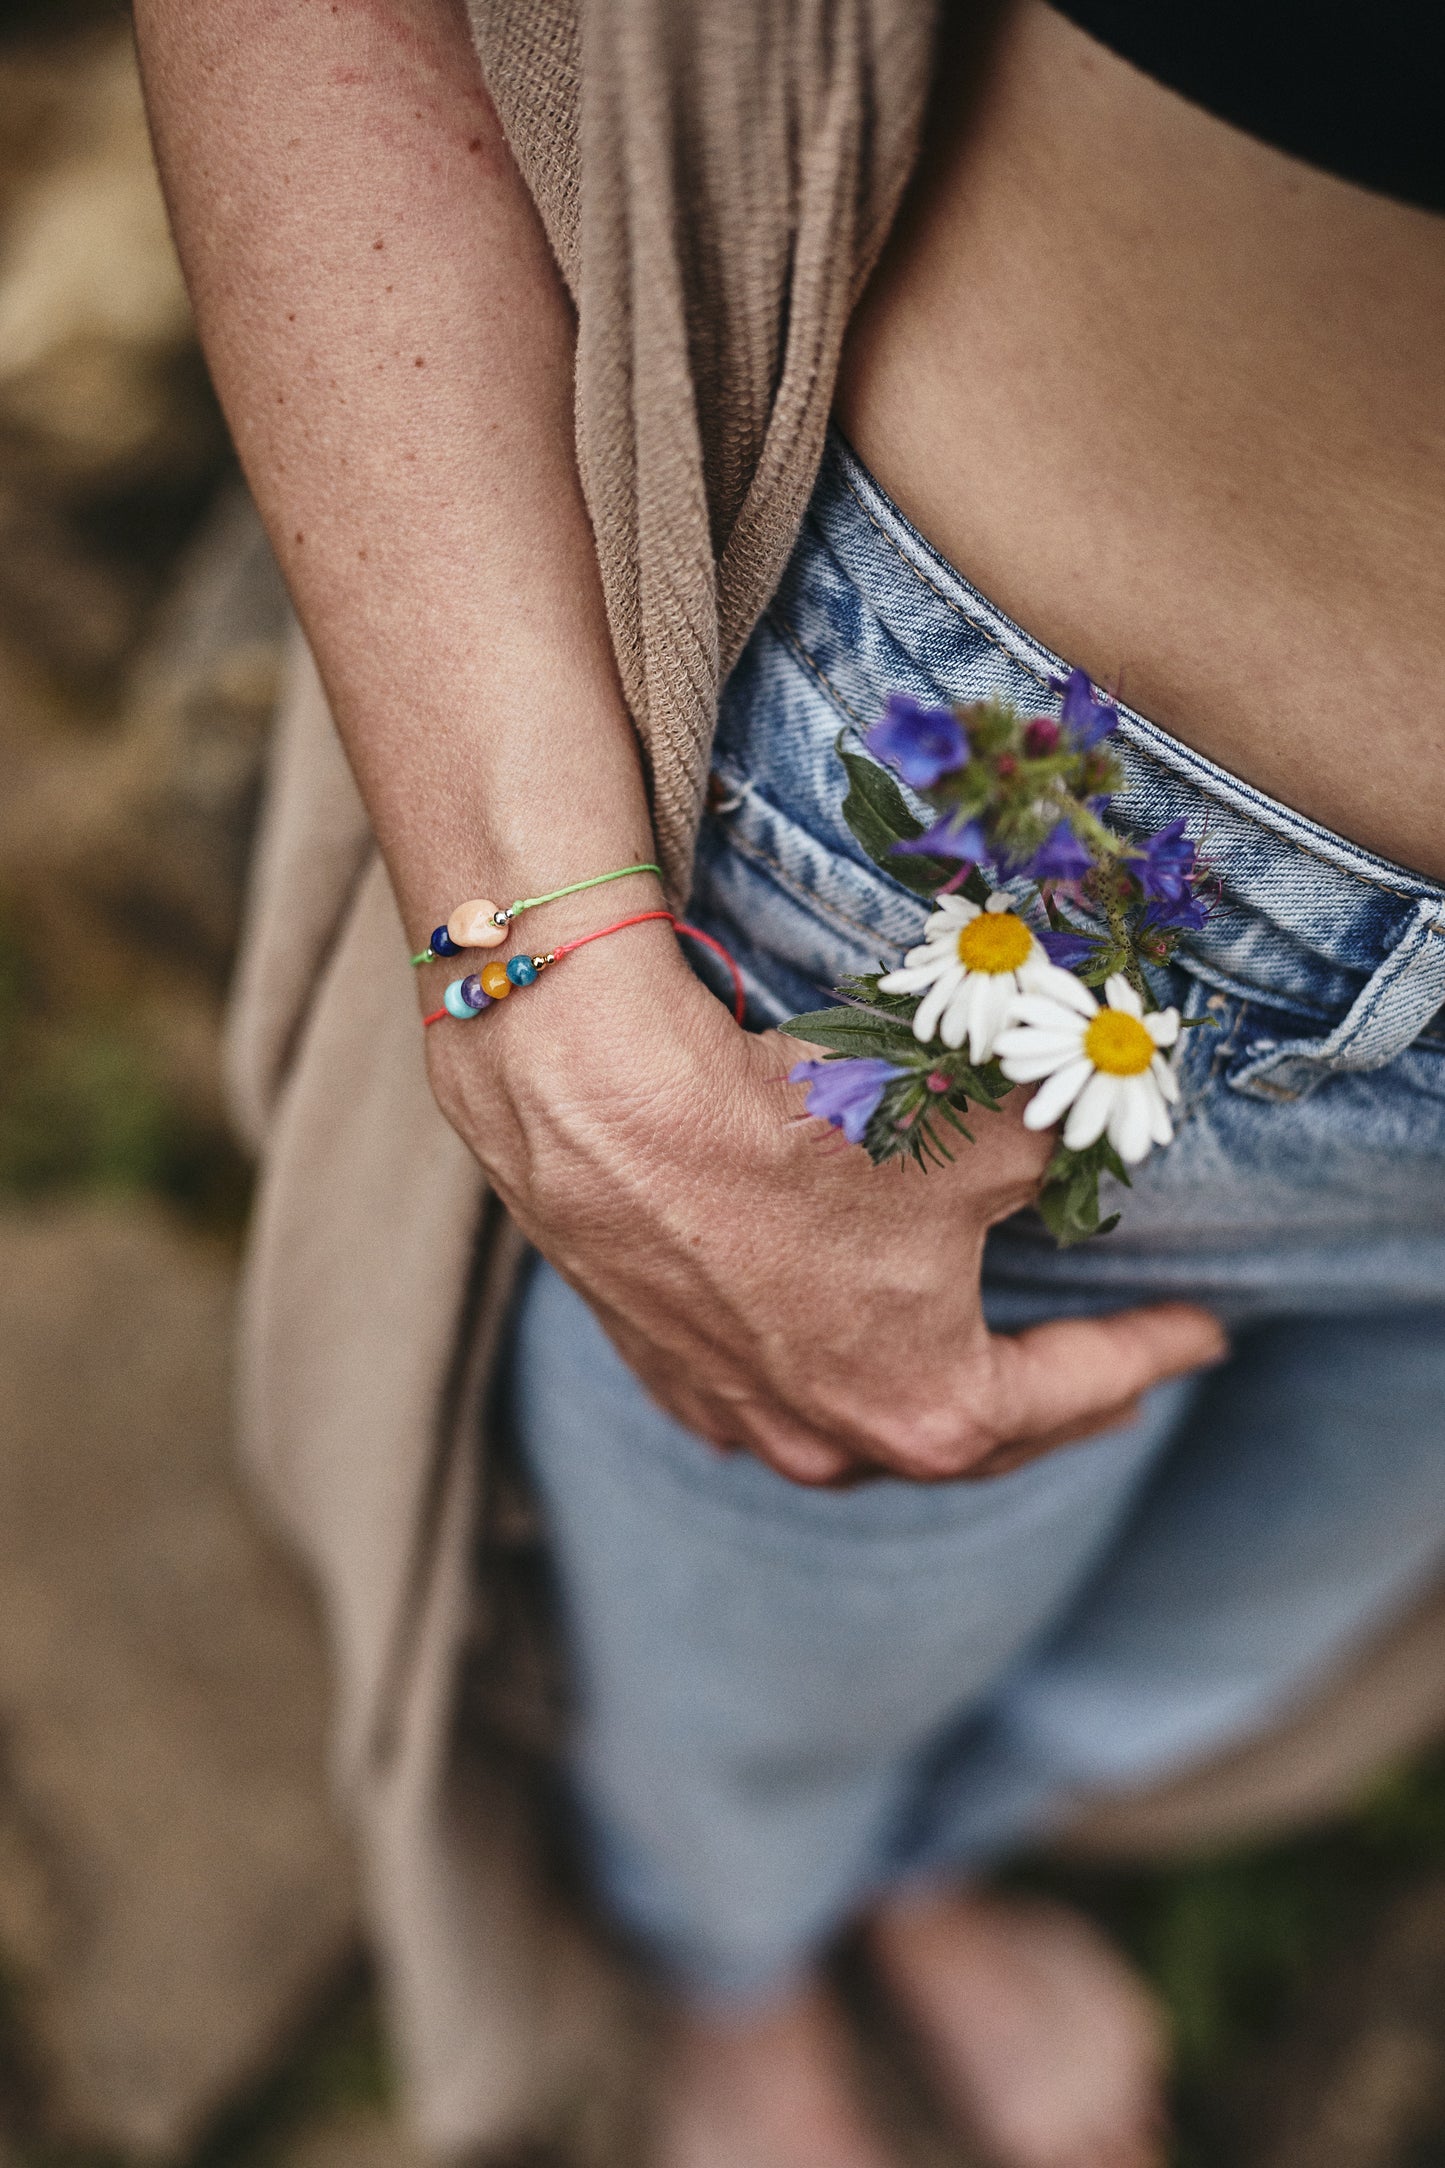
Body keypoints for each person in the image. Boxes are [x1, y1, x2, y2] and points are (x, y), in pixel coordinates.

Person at [133, 2, 1445, 2163]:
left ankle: (926, 1878)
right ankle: (734, 1977)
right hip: (982, 908)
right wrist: (539, 985)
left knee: (1206, 1656)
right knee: (739, 1712)